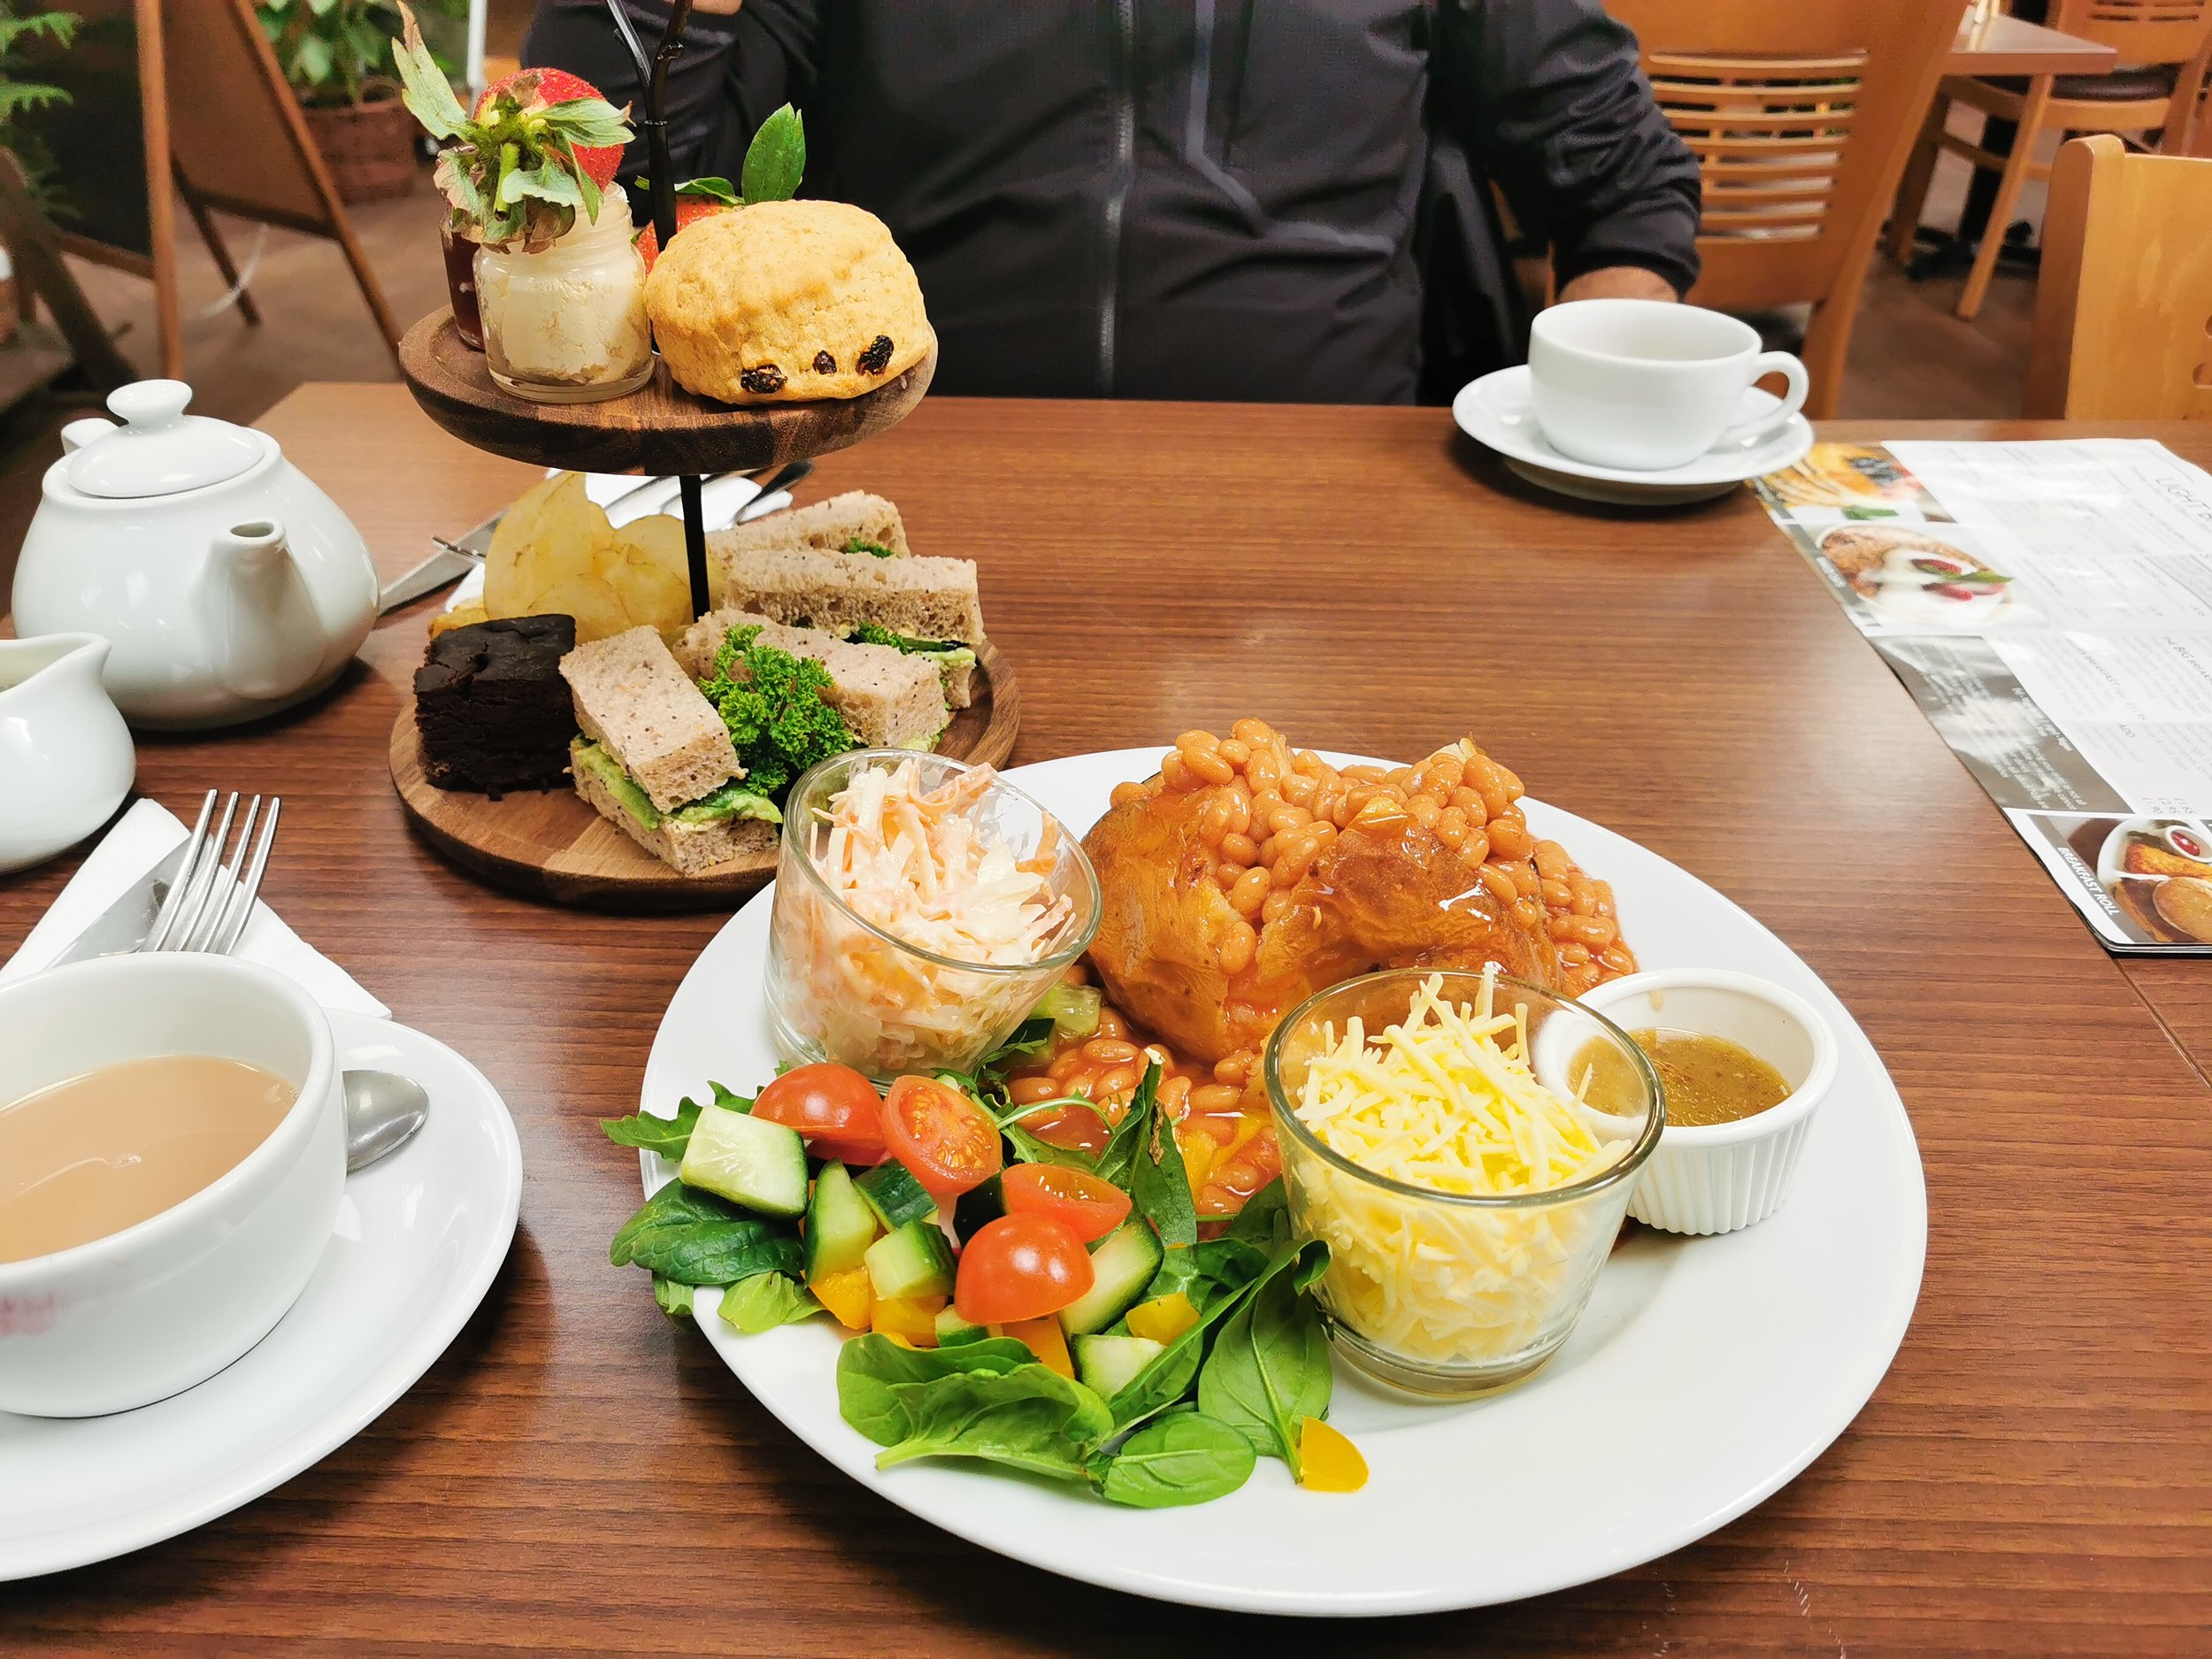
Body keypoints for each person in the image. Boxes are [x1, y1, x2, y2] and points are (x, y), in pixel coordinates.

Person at [523, 0, 1701, 403]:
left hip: (1340, 511)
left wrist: (1594, 416)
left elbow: (1626, 187)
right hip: (905, 477)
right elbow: (616, 195)